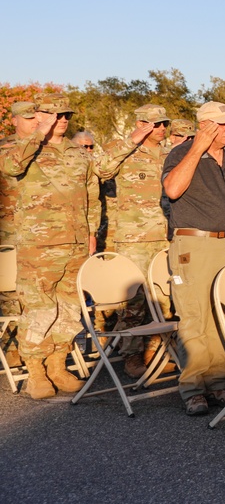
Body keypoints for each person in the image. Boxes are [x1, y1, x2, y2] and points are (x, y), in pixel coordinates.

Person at [0, 94, 99, 400]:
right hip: (39, 243)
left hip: (77, 241)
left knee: (69, 309)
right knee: (39, 309)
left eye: (66, 115)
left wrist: (92, 233)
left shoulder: (77, 151)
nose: (62, 120)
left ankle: (58, 365)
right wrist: (38, 133)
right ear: (40, 115)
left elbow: (91, 195)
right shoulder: (22, 148)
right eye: (55, 115)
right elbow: (10, 167)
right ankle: (36, 372)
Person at [162, 101, 225, 416]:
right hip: (194, 245)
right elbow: (172, 189)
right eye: (223, 124)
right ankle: (192, 388)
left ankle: (218, 382)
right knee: (195, 317)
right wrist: (196, 148)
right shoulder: (180, 154)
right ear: (205, 126)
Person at [95, 103, 172, 378]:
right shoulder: (123, 148)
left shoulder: (169, 153)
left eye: (164, 124)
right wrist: (131, 141)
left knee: (164, 297)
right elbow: (101, 170)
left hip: (165, 234)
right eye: (155, 123)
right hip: (134, 238)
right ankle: (131, 355)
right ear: (140, 123)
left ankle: (155, 349)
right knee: (134, 301)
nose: (161, 128)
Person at [0, 102, 39, 367]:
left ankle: (38, 346)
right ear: (14, 120)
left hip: (40, 230)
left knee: (37, 292)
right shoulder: (5, 148)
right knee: (10, 293)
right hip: (9, 230)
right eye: (28, 118)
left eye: (37, 117)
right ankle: (12, 347)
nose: (34, 121)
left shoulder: (47, 147)